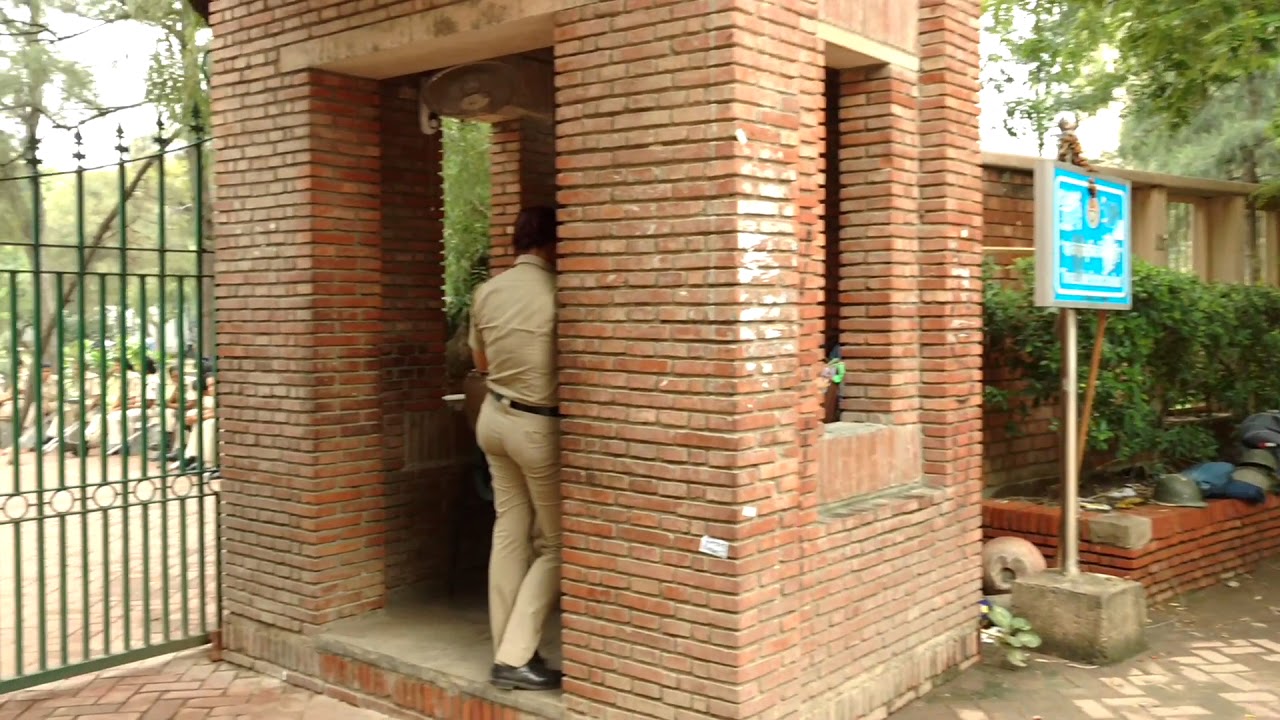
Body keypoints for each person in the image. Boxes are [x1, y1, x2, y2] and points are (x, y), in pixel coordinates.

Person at [468, 206, 562, 691]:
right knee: (557, 545)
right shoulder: (557, 296)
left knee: (509, 530)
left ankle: (509, 648)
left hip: (493, 418)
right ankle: (515, 656)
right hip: (535, 427)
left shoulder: (488, 291)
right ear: (551, 245)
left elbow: (480, 361)